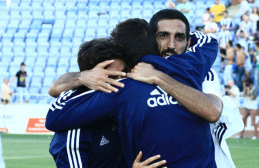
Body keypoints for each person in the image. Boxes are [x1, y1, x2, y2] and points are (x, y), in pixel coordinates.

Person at [46, 9, 220, 167]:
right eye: (163, 36)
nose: (171, 44)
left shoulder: (120, 88)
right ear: (154, 41)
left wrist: (83, 77)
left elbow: (54, 115)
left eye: (178, 37)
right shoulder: (192, 66)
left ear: (125, 60)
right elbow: (209, 40)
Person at [49, 37, 166, 168]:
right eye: (112, 77)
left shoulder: (126, 106)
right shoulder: (72, 128)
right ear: (91, 78)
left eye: (123, 74)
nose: (123, 83)